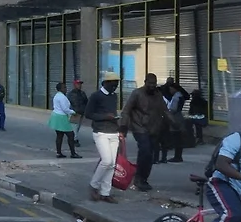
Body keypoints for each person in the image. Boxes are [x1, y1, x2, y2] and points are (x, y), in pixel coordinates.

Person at [118, 73, 168, 191]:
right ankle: (139, 178)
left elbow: (165, 110)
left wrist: (174, 123)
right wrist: (123, 126)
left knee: (149, 154)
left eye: (154, 83)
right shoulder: (137, 93)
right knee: (145, 150)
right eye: (150, 83)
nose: (152, 86)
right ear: (145, 82)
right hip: (139, 127)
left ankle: (143, 178)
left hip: (153, 128)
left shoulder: (158, 95)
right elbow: (126, 110)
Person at [83, 71, 121, 202]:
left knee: (112, 164)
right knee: (106, 161)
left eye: (116, 84)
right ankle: (94, 185)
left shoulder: (114, 96)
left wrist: (119, 128)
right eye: (113, 84)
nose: (115, 87)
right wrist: (105, 117)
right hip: (101, 132)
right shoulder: (96, 96)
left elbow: (113, 112)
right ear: (105, 83)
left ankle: (105, 193)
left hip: (114, 132)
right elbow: (88, 114)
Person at [49, 81, 79, 158]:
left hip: (56, 116)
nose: (66, 89)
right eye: (64, 87)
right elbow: (65, 109)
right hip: (61, 117)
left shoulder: (57, 95)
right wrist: (73, 112)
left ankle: (58, 153)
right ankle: (73, 153)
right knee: (71, 135)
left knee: (59, 135)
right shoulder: (62, 97)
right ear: (60, 89)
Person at [67, 78, 88, 146]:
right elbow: (68, 103)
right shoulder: (71, 94)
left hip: (81, 112)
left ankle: (73, 138)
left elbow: (86, 102)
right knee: (74, 127)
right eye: (78, 84)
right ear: (75, 85)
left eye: (80, 84)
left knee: (78, 127)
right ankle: (74, 140)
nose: (79, 85)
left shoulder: (82, 93)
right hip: (74, 113)